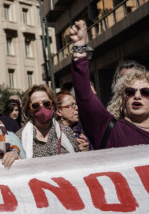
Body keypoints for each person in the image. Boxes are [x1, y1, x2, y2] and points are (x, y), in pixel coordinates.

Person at [70, 20, 149, 148]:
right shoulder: (108, 128)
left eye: (145, 92)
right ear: (122, 98)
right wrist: (79, 47)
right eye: (130, 91)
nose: (137, 96)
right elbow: (84, 95)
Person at [16, 84, 78, 158]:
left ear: (52, 105)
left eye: (46, 103)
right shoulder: (19, 138)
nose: (42, 108)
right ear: (29, 111)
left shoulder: (66, 132)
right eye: (35, 105)